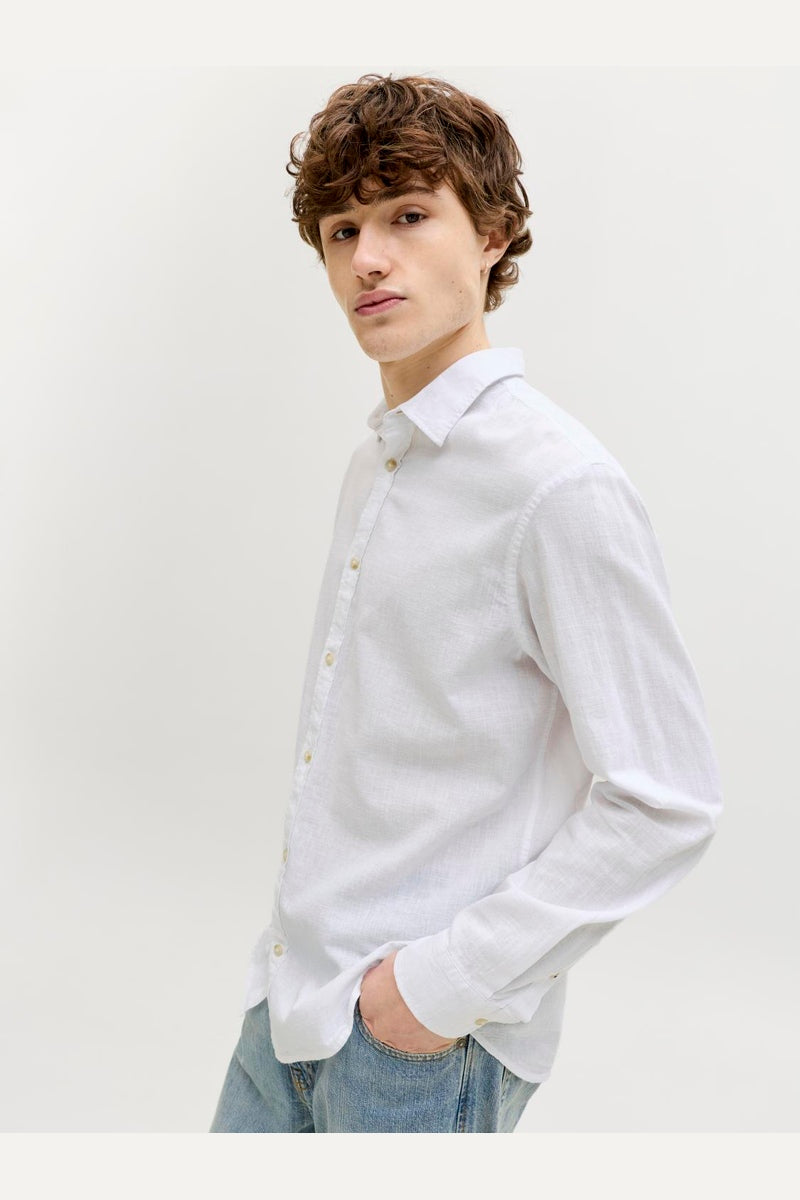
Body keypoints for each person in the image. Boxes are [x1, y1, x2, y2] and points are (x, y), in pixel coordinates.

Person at [209, 72, 723, 1134]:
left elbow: (666, 797)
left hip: (414, 1051)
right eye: (342, 230)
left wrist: (435, 991)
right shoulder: (377, 463)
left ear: (490, 234)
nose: (368, 258)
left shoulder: (554, 483)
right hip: (289, 1011)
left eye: (407, 215)